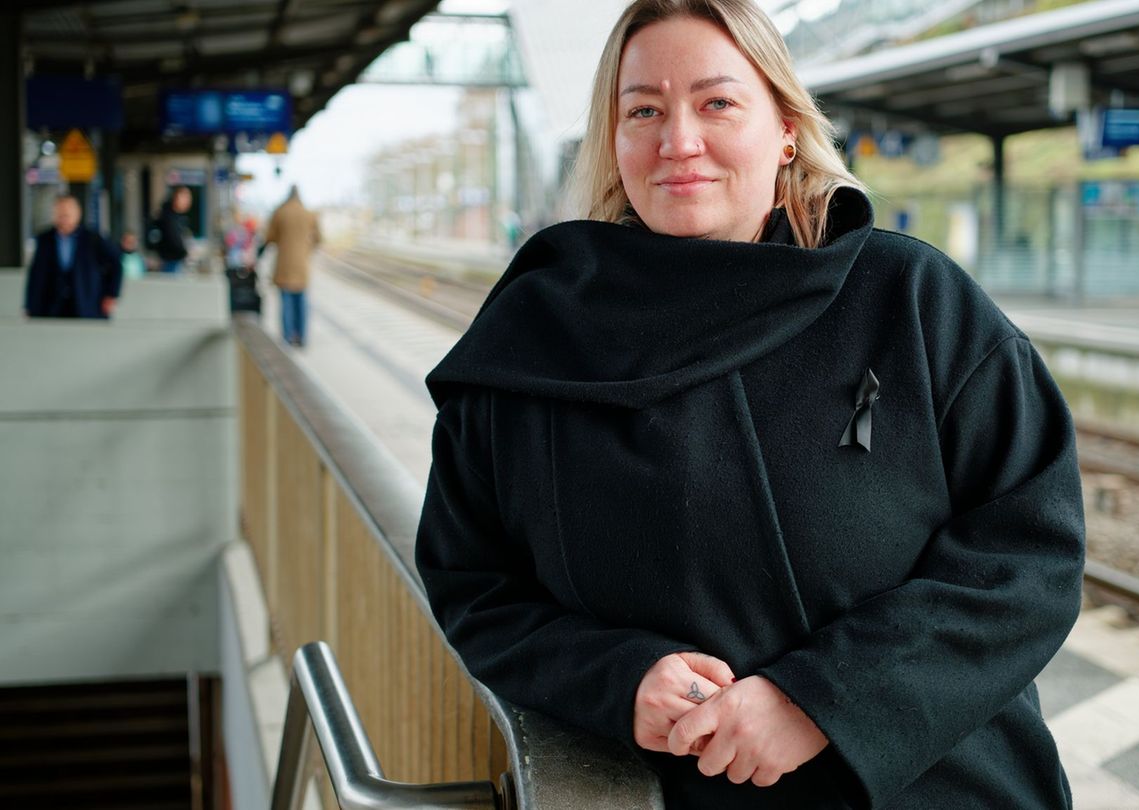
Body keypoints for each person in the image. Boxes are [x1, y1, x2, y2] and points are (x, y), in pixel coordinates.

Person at [416, 2, 1085, 808]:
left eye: (717, 102)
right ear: (614, 138)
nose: (679, 141)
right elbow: (471, 582)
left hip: (944, 788)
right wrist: (617, 679)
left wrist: (824, 699)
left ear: (787, 128)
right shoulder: (528, 339)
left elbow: (1030, 551)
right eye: (644, 111)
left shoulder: (910, 299)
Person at [23, 194, 122, 319]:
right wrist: (30, 305)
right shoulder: (44, 240)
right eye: (60, 214)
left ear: (77, 214)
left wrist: (111, 294)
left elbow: (116, 263)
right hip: (52, 307)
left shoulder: (93, 239)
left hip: (86, 304)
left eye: (67, 214)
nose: (63, 218)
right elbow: (35, 275)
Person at [261, 187, 321, 346]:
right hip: (302, 266)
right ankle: (301, 337)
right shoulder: (309, 214)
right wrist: (306, 249)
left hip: (284, 266)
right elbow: (319, 239)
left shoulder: (280, 212)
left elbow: (269, 237)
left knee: (286, 303)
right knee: (301, 303)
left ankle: (287, 338)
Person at [147, 186, 192, 274]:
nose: (188, 201)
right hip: (170, 261)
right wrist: (186, 253)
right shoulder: (169, 217)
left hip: (173, 261)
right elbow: (174, 239)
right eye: (185, 197)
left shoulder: (178, 217)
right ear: (176, 197)